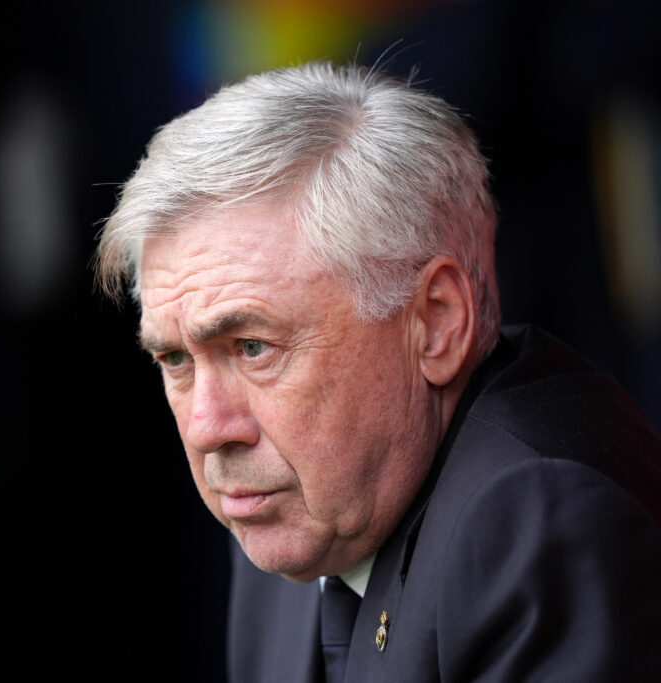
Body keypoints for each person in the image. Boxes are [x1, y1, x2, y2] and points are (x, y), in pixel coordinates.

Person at [95, 61, 661, 682]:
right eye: (175, 358)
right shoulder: (298, 506)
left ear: (435, 322)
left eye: (253, 346)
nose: (207, 427)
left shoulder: (536, 518)